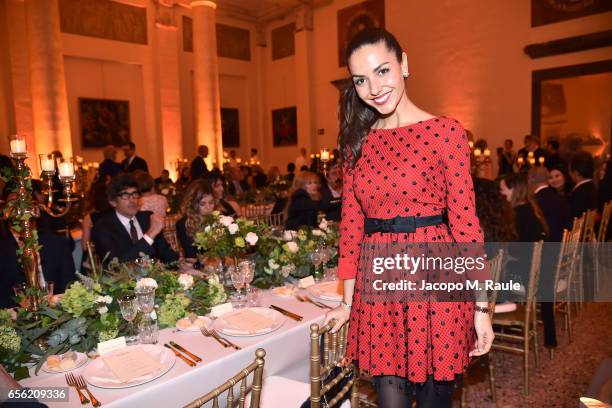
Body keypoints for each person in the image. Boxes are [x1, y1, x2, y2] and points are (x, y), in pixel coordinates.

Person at [322, 28, 493, 408]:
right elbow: (351, 230)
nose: (373, 88)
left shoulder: (445, 132)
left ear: (404, 64)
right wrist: (348, 304)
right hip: (380, 290)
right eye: (361, 80)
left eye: (383, 71)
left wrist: (482, 308)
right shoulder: (357, 144)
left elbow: (466, 225)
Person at [91, 173, 178, 265]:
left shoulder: (147, 218)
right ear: (113, 202)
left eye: (135, 194)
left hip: (156, 277)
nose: (132, 200)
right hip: (123, 278)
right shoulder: (103, 227)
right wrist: (150, 235)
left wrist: (181, 263)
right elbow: (117, 265)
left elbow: (166, 255)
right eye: (125, 195)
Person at [0, 219, 76, 309]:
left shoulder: (58, 242)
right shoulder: (3, 250)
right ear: (10, 225)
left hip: (59, 308)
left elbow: (70, 283)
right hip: (20, 314)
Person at [176, 180, 216, 259]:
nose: (208, 207)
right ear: (192, 204)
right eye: (202, 204)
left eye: (211, 202)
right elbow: (191, 255)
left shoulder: (218, 219)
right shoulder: (183, 224)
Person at [568, 151, 598, 219]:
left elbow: (573, 218)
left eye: (569, 170)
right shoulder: (592, 187)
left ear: (576, 172)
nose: (569, 174)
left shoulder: (578, 193)